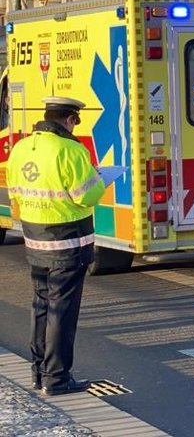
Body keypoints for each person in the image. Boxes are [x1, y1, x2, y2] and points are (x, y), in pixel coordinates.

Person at [7, 96, 107, 396]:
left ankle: (38, 373)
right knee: (61, 313)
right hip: (67, 243)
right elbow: (85, 196)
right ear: (69, 120)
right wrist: (100, 178)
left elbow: (14, 190)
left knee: (41, 307)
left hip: (35, 241)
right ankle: (57, 378)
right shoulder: (71, 150)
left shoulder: (22, 148)